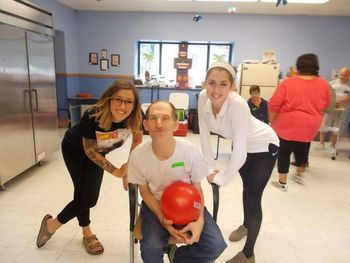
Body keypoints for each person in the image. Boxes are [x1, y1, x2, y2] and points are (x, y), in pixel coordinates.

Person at [36, 80, 143, 255]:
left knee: (84, 196)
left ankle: (83, 232)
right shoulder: (93, 115)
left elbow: (137, 141)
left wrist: (130, 168)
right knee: (87, 197)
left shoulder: (137, 115)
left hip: (100, 152)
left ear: (134, 104)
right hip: (75, 150)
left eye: (128, 101)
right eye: (118, 99)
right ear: (109, 99)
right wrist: (116, 171)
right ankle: (54, 225)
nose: (123, 106)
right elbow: (90, 150)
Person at [198, 61, 279, 263]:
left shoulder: (238, 105)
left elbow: (239, 151)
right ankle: (246, 225)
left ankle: (249, 254)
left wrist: (223, 178)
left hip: (264, 146)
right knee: (246, 188)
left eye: (223, 84)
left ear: (232, 86)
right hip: (245, 146)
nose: (216, 90)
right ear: (205, 83)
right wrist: (209, 168)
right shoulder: (202, 97)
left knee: (254, 196)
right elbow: (204, 136)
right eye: (211, 83)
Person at [128, 100, 227, 263]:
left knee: (216, 245)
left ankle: (176, 256)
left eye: (165, 118)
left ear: (176, 125)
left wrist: (200, 220)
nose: (159, 124)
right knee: (151, 250)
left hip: (188, 205)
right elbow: (144, 192)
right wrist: (161, 217)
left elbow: (197, 187)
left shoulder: (189, 151)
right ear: (145, 124)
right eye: (153, 118)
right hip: (156, 205)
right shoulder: (138, 156)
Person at [269, 53, 331, 190]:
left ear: (299, 66)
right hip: (310, 124)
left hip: (287, 124)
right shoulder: (323, 84)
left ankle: (282, 183)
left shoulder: (288, 82)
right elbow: (327, 104)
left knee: (284, 152)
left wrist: (271, 123)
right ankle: (299, 174)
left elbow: (273, 105)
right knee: (303, 148)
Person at [317, 67, 350, 152]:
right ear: (339, 74)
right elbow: (324, 94)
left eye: (345, 75)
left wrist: (345, 100)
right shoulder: (332, 83)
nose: (343, 76)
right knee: (324, 125)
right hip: (330, 108)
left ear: (349, 75)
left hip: (342, 109)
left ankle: (333, 145)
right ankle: (321, 143)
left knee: (337, 127)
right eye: (341, 74)